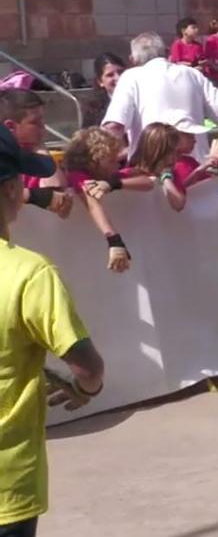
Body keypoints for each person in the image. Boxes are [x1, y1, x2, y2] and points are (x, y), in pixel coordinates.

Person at [0, 125, 106, 537]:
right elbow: (87, 369)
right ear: (12, 189)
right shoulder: (29, 274)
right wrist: (88, 388)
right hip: (8, 486)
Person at [103, 32, 218, 160]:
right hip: (198, 167)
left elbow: (114, 127)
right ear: (167, 52)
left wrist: (106, 163)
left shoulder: (130, 77)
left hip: (152, 171)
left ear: (132, 59)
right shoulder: (192, 74)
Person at [63, 127, 153, 274]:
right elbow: (92, 201)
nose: (117, 165)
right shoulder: (76, 175)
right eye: (112, 160)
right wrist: (113, 239)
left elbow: (148, 183)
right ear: (94, 160)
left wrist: (114, 184)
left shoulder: (107, 176)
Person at [0, 90, 70, 219]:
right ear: (10, 127)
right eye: (35, 122)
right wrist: (32, 196)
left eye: (42, 120)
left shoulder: (32, 153)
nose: (43, 126)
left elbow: (58, 192)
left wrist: (40, 145)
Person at [81, 53, 127, 128]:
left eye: (120, 72)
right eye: (110, 75)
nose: (118, 78)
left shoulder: (140, 99)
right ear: (100, 82)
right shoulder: (94, 110)